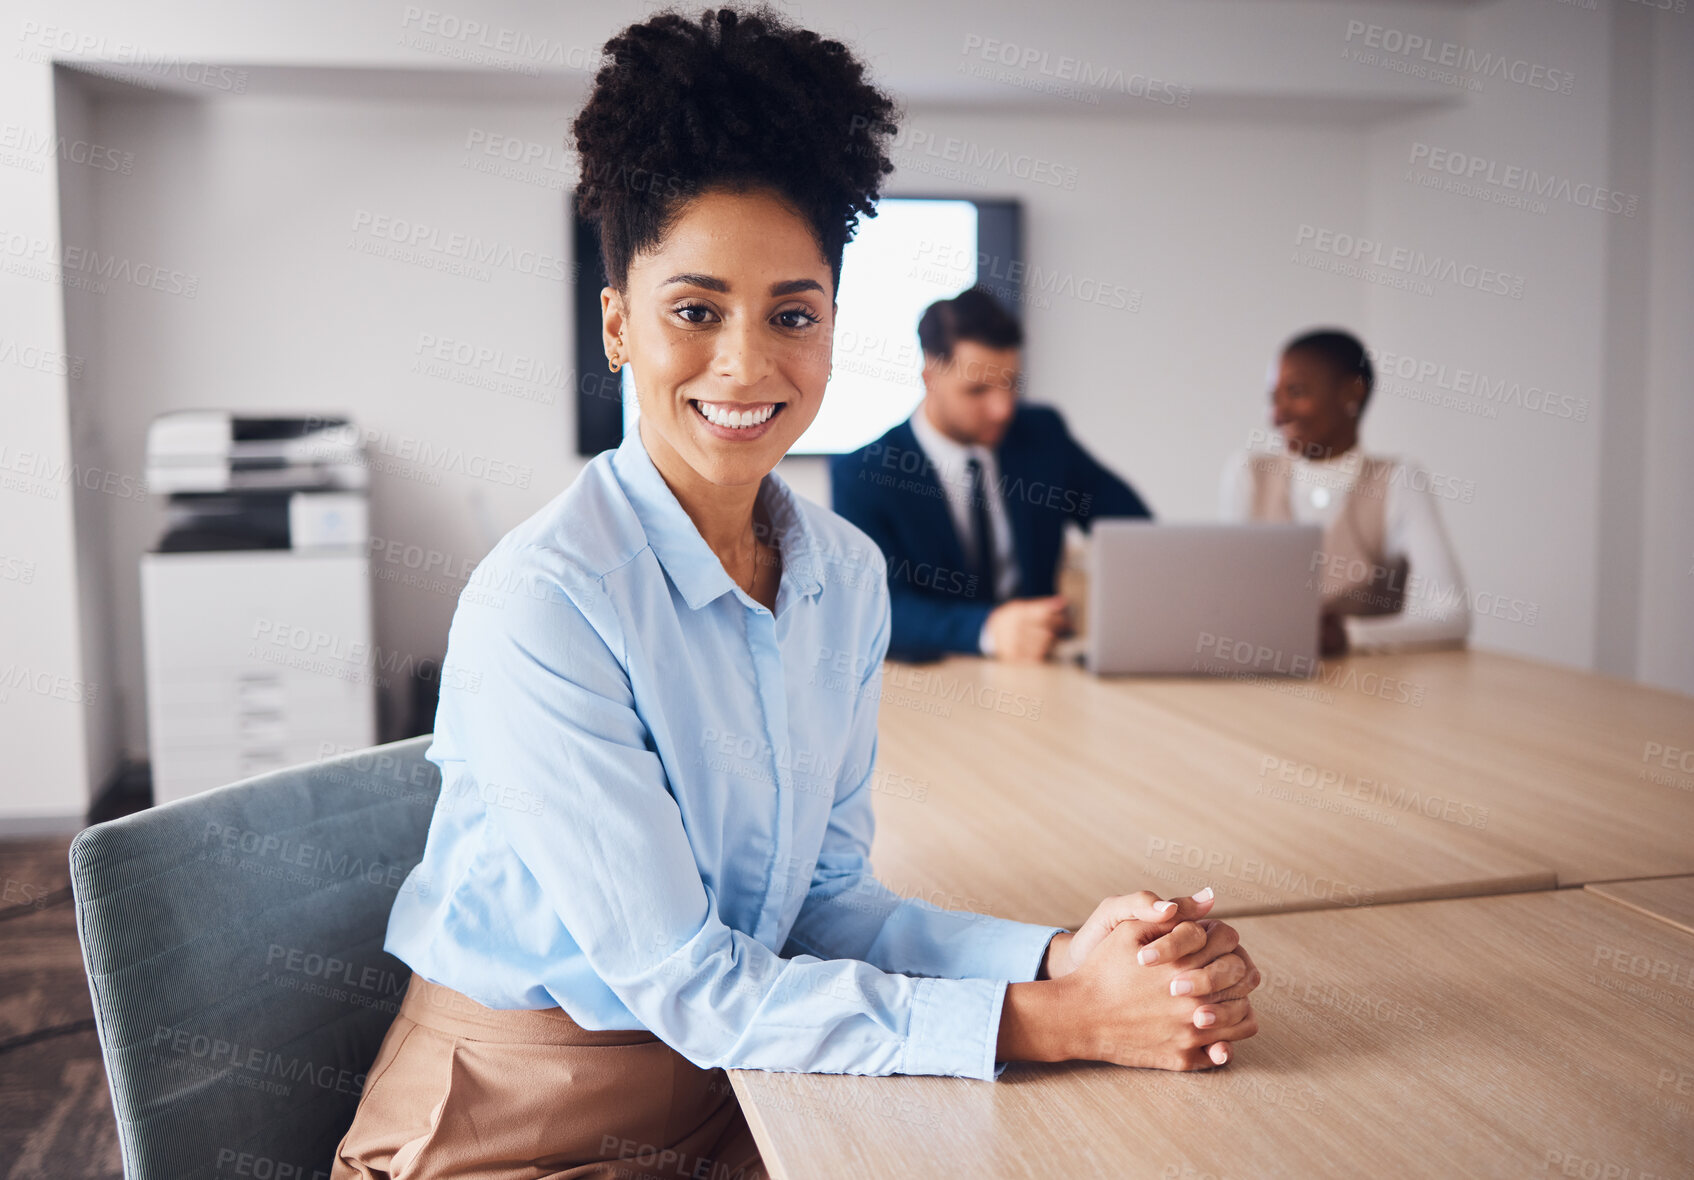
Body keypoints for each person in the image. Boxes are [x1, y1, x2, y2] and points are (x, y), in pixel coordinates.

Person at [333, 10, 1259, 1178]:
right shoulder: (545, 600)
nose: (745, 362)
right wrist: (1060, 1022)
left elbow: (822, 907)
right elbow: (684, 979)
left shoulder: (841, 576)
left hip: (748, 1071)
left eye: (791, 314)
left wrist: (1068, 956)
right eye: (693, 309)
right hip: (513, 1109)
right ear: (617, 324)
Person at [831, 287, 1153, 662]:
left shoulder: (1042, 434)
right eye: (978, 390)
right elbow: (873, 610)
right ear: (929, 377)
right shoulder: (864, 474)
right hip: (939, 679)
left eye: (1011, 384)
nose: (1002, 409)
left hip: (1044, 673)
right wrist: (988, 629)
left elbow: (1135, 530)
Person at [1219, 328, 1471, 657]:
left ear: (1352, 392)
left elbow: (1452, 615)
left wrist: (1349, 635)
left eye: (1296, 392)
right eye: (1273, 397)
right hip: (1262, 679)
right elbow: (1224, 600)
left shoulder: (1399, 481)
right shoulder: (1249, 475)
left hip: (1364, 692)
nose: (1277, 415)